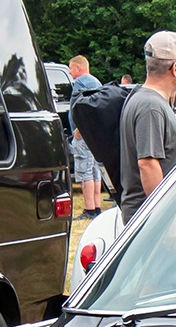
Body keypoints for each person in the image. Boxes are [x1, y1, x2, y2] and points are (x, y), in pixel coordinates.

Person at [119, 30, 176, 224]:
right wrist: (165, 224)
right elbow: (148, 164)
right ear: (175, 68)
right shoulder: (150, 107)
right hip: (154, 222)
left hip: (154, 218)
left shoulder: (144, 98)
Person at [66, 55, 104, 219]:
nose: (69, 71)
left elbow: (81, 107)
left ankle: (89, 210)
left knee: (84, 170)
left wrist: (80, 128)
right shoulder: (96, 82)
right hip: (95, 135)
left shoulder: (81, 83)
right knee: (95, 170)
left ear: (79, 68)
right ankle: (96, 207)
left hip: (83, 136)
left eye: (71, 67)